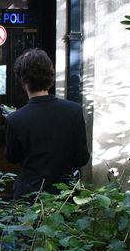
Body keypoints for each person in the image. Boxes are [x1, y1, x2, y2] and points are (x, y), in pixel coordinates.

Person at [5, 49, 90, 199]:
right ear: (50, 76)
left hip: (30, 196)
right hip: (65, 196)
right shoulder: (74, 110)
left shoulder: (15, 119)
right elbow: (82, 158)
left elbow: (12, 157)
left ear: (23, 80)